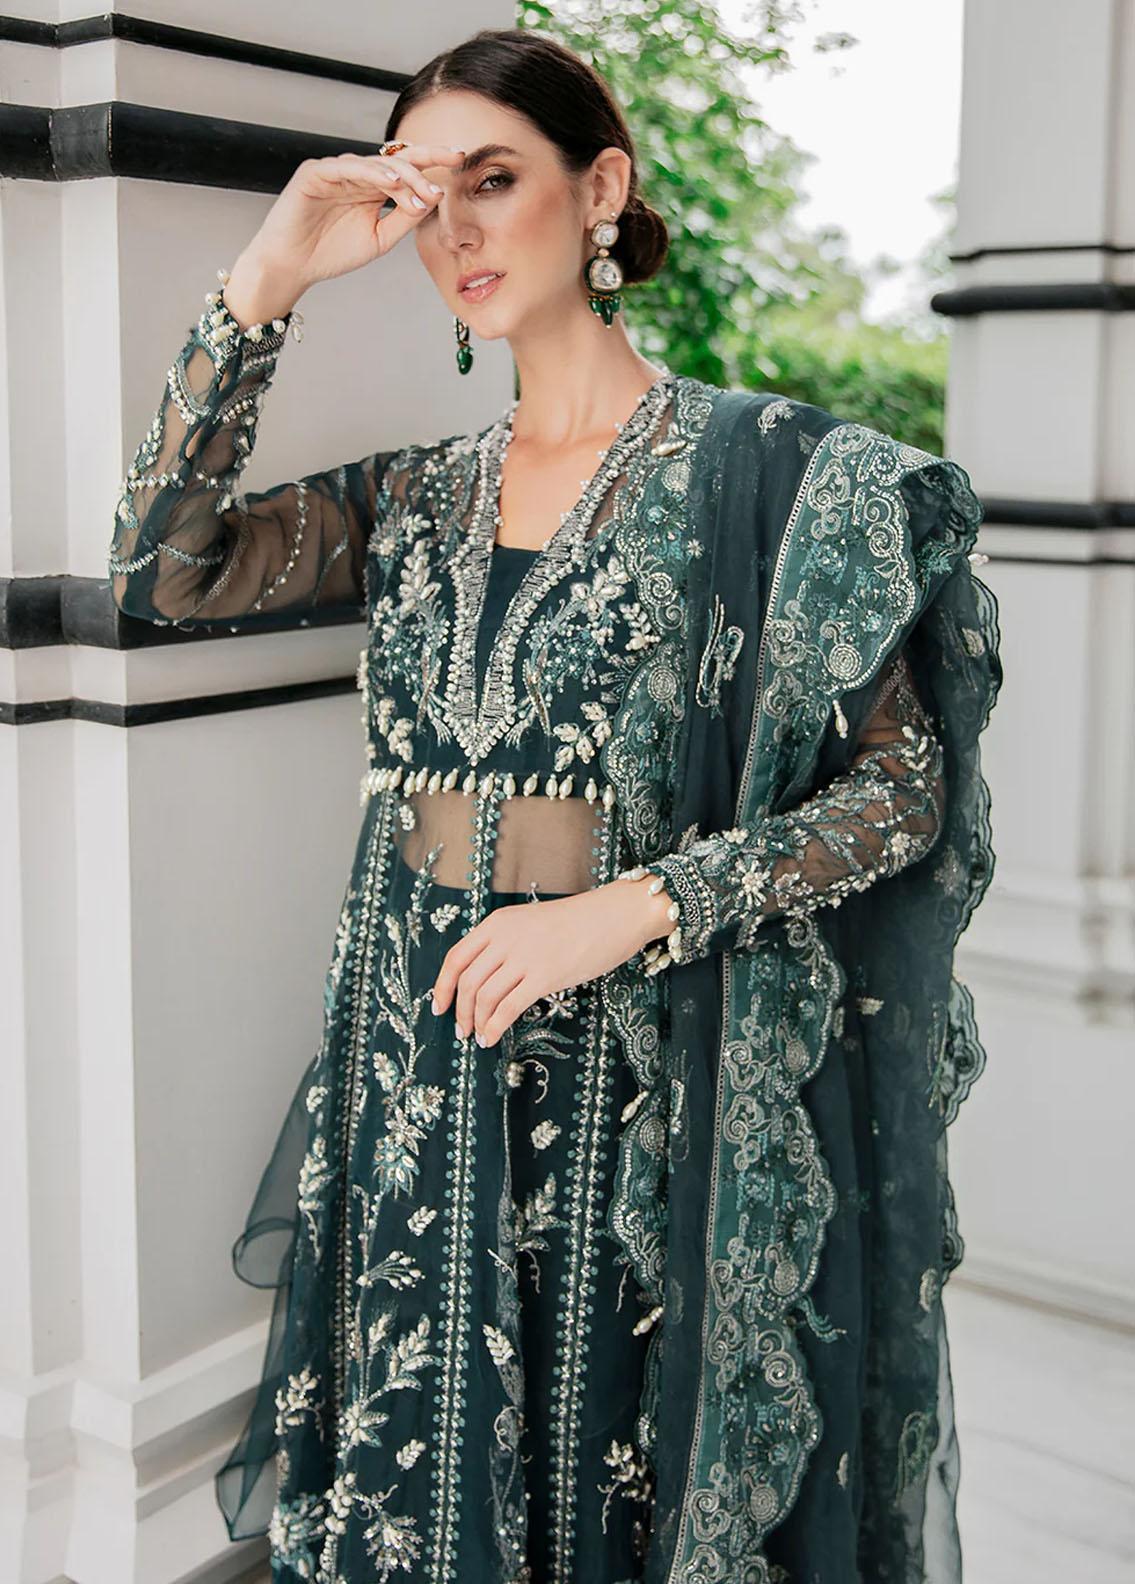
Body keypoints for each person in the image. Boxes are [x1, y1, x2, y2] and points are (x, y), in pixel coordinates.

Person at [107, 26, 1002, 1584]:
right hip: (413, 1046)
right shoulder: (418, 499)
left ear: (601, 188)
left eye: (493, 179)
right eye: (422, 195)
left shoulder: (768, 475)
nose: (453, 230)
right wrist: (271, 273)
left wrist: (631, 909)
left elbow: (904, 791)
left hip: (633, 1063)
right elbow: (163, 571)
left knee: (607, 1480)